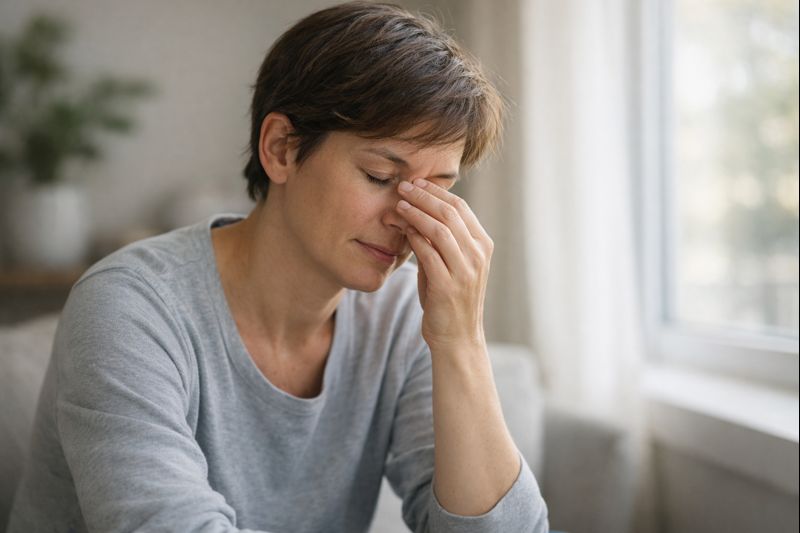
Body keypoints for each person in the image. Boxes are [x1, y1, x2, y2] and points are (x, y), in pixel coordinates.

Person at [7, 2, 549, 532]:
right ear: (281, 149)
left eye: (435, 192)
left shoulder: (403, 315)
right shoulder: (129, 307)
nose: (409, 219)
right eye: (381, 177)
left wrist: (462, 342)